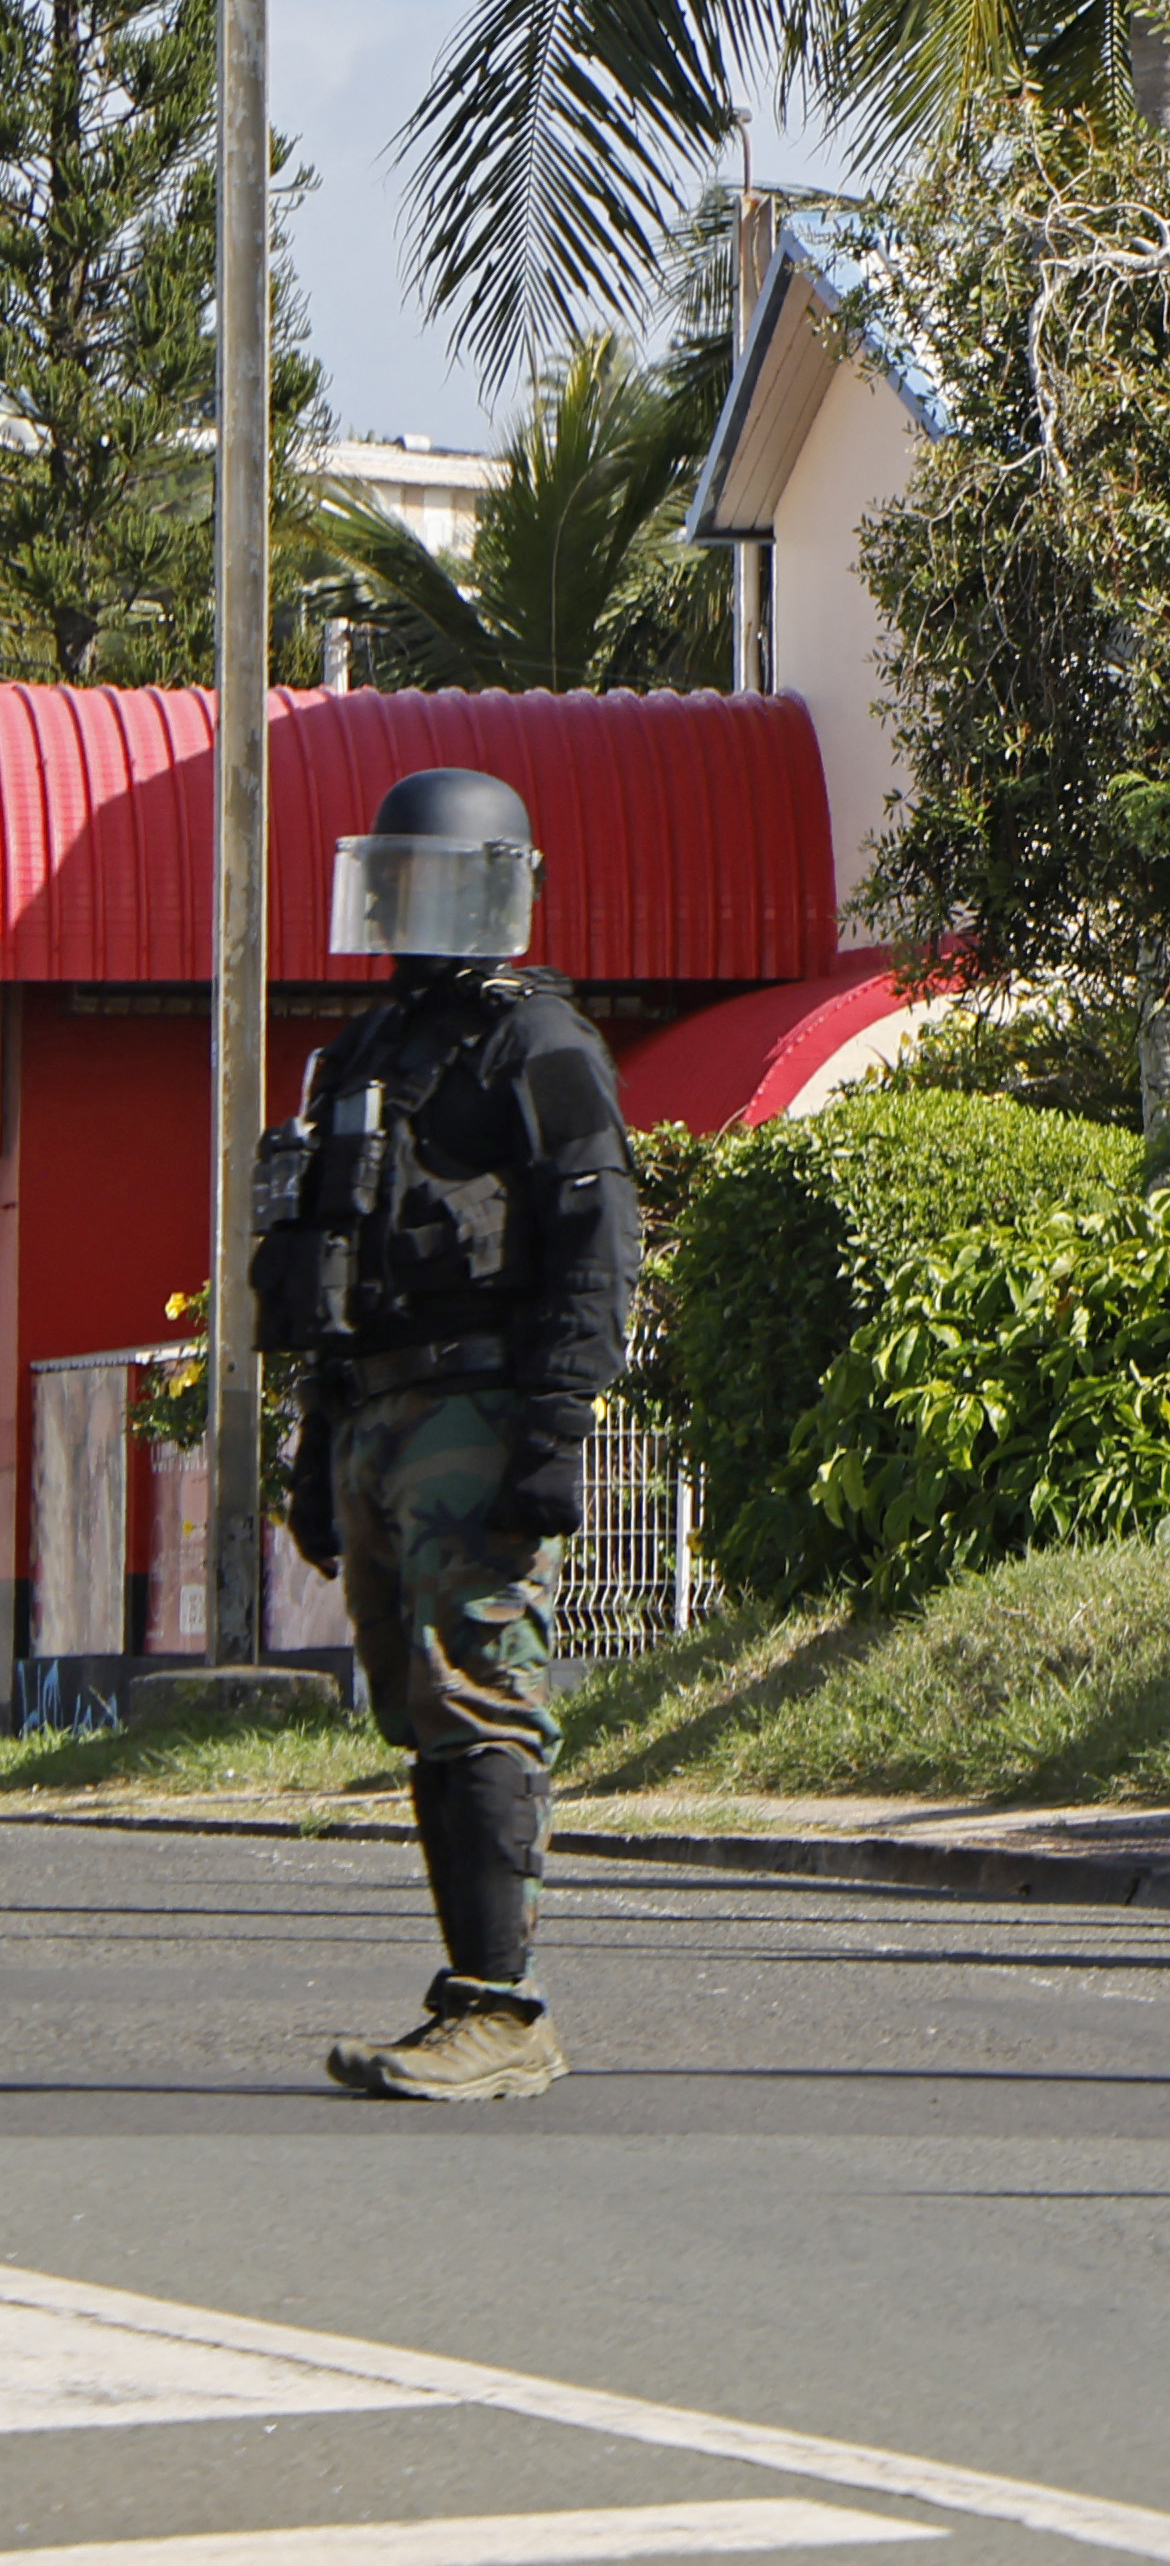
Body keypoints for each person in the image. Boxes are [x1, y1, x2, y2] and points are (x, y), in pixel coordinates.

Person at [253, 767, 645, 2103]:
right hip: (375, 1410)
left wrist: (554, 1429)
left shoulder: (540, 1044)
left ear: (502, 891)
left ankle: (502, 2011)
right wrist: (317, 1444)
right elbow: (330, 1255)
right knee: (418, 1706)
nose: (419, 912)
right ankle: (472, 1993)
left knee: (479, 1689)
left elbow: (598, 1242)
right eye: (399, 882)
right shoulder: (364, 1050)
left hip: (475, 1408)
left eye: (446, 883)